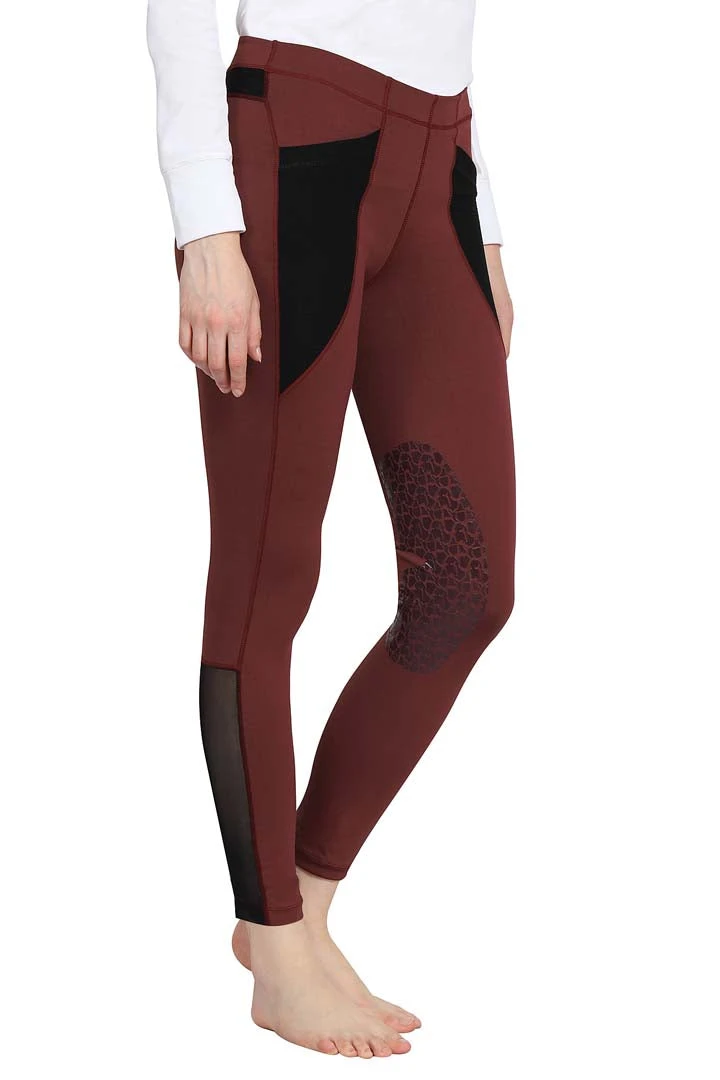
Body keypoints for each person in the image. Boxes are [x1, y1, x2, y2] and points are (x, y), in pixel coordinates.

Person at [146, 0, 516, 1058]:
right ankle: (275, 947)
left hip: (442, 155)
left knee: (465, 592)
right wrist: (204, 225)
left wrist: (484, 221)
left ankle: (300, 902)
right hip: (294, 139)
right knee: (269, 574)